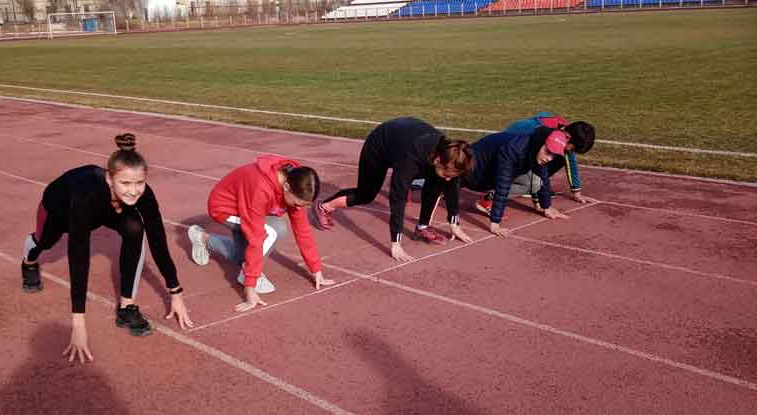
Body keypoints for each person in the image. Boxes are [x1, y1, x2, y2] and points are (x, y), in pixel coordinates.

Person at [20, 134, 193, 363]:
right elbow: (78, 257)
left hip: (111, 206)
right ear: (110, 180)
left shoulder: (142, 194)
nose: (133, 191)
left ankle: (127, 307)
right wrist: (78, 325)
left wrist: (176, 292)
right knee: (45, 243)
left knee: (134, 229)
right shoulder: (85, 194)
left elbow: (158, 242)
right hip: (59, 210)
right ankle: (29, 261)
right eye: (125, 183)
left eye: (139, 183)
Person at [313, 117, 475, 262]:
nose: (449, 177)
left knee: (437, 182)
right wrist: (395, 243)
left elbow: (453, 184)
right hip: (379, 146)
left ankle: (423, 227)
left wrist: (454, 222)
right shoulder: (409, 160)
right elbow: (398, 199)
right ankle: (324, 207)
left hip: (405, 137)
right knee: (366, 194)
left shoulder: (450, 154)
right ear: (438, 160)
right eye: (447, 173)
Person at [187, 155, 335, 313]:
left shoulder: (297, 181)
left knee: (241, 257)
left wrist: (316, 270)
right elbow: (257, 238)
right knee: (275, 229)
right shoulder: (261, 188)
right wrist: (250, 287)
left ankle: (203, 239)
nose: (299, 208)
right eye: (298, 204)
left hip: (247, 206)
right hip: (224, 208)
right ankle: (247, 272)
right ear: (286, 187)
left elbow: (302, 229)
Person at [452, 127, 571, 237]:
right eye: (548, 152)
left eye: (554, 155)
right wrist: (495, 222)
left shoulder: (536, 148)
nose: (550, 158)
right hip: (474, 171)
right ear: (540, 144)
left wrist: (546, 206)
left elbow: (543, 177)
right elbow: (503, 184)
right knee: (452, 182)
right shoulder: (514, 149)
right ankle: (450, 182)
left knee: (535, 182)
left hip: (490, 167)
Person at [475, 113, 595, 215]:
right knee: (531, 183)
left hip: (511, 154)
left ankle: (528, 188)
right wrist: (539, 201)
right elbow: (535, 168)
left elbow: (569, 159)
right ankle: (489, 198)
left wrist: (576, 192)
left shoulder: (564, 129)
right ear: (567, 137)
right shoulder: (538, 132)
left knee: (557, 159)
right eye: (572, 149)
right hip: (497, 159)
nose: (571, 152)